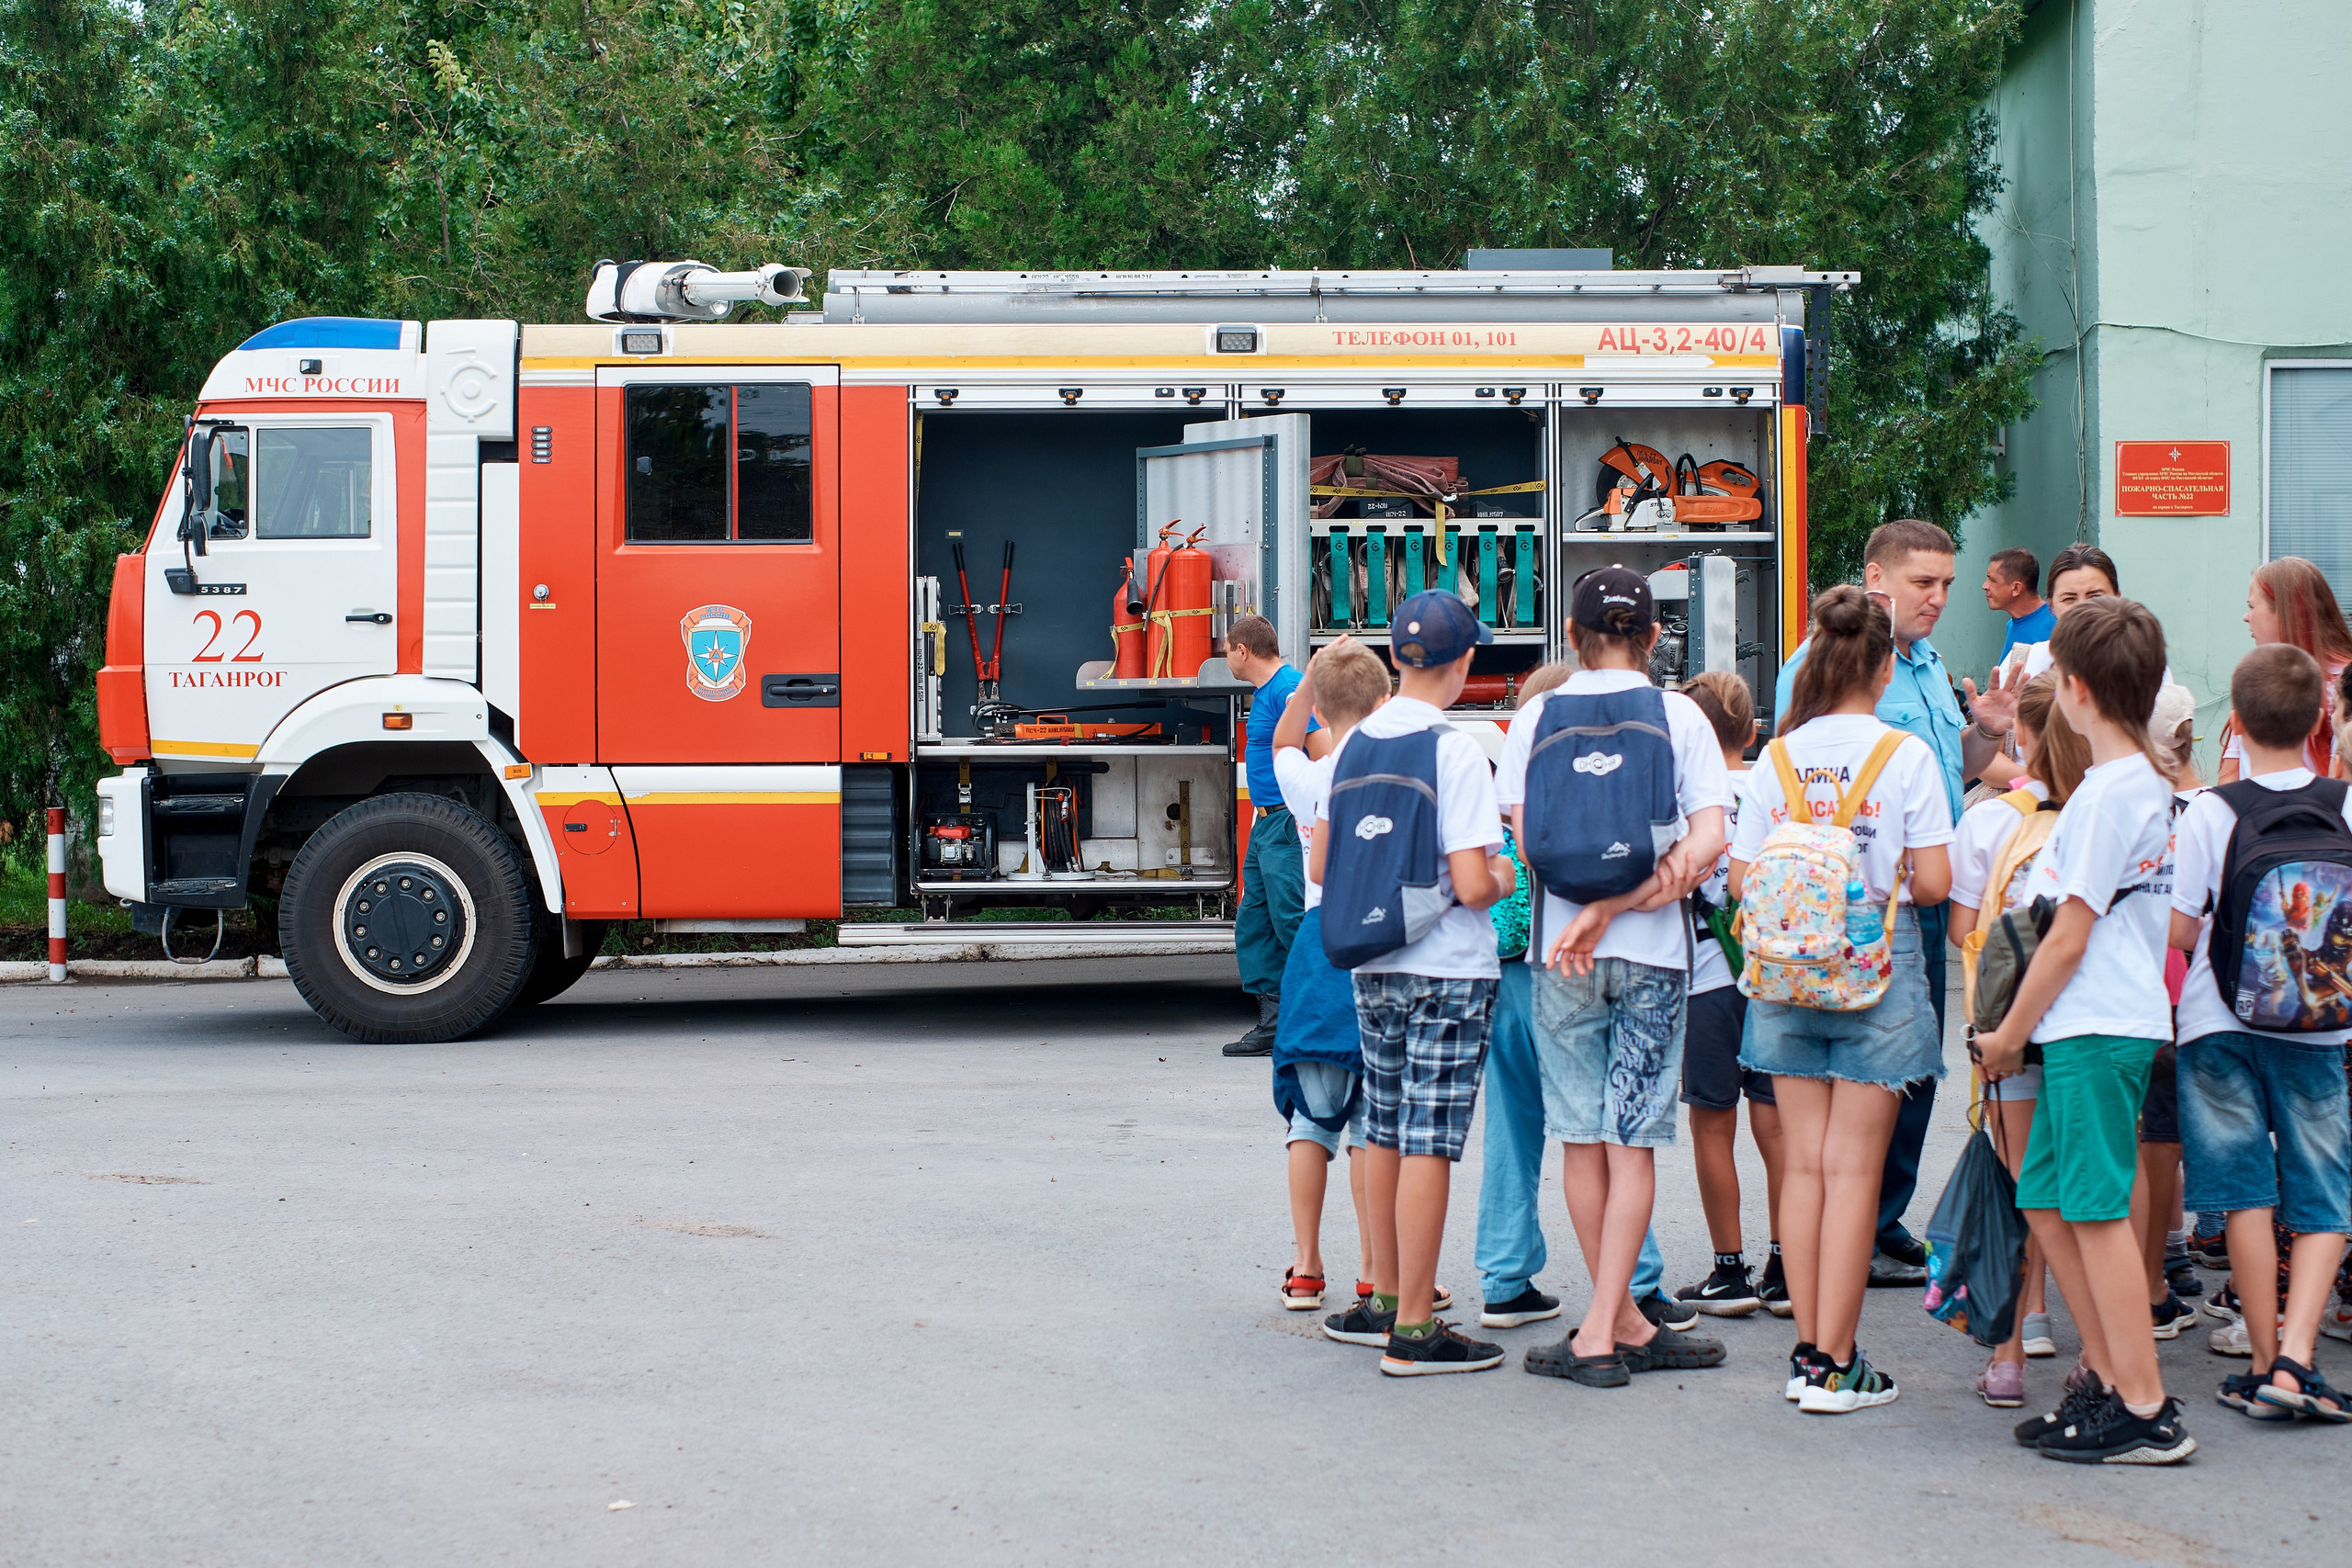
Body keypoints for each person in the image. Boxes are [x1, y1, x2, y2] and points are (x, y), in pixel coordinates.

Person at [1973, 595, 2197, 1463]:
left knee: (2096, 1210)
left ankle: (2143, 1404)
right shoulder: (2142, 782)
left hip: (2094, 1024)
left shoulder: (2109, 793)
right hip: (2099, 1023)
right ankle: (2106, 1378)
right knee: (2046, 1194)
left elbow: (2069, 933)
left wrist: (2006, 1033)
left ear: (2072, 690)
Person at [1500, 566, 1730, 1387]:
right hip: (1659, 957)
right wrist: (1631, 899)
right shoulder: (1682, 717)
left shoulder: (1535, 718)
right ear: (1656, 637)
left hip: (1563, 954)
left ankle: (1601, 1324)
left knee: (1582, 1138)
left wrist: (1590, 910)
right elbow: (1705, 845)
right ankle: (1617, 1318)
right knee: (1635, 1138)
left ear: (1571, 634)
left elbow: (1529, 844)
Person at [1734, 585, 1954, 1415]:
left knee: (1805, 1160)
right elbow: (1932, 881)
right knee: (1857, 1169)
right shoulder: (1904, 756)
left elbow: (1744, 880)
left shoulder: (1779, 756)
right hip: (1877, 969)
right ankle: (1837, 1360)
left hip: (1787, 968)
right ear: (1886, 664)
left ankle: (1804, 1355)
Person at [1775, 520, 2002, 1287]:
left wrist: (1983, 734)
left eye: (1946, 582)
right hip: (1856, 901)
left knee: (1913, 1070)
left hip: (1926, 891)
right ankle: (1852, 1228)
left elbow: (1950, 770)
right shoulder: (1825, 664)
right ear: (1878, 579)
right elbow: (1798, 776)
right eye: (1922, 583)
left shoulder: (1932, 666)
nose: (1939, 597)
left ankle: (1880, 1216)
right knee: (1861, 1073)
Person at [1310, 591, 1517, 1374]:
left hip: (1372, 964)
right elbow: (1469, 882)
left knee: (1386, 1130)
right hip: (1446, 970)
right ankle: (1418, 1328)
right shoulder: (1455, 747)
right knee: (1431, 1140)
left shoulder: (1354, 742)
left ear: (1399, 656)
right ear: (1464, 663)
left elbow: (1325, 866)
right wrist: (1502, 870)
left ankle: (1387, 1297)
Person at [2169, 644, 2352, 1423]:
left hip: (2218, 1021)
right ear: (2318, 718)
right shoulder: (2345, 803)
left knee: (2242, 1190)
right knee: (2322, 1193)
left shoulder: (2212, 807)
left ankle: (2257, 1348)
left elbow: (2181, 929)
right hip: (2320, 1025)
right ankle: (2297, 1359)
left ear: (2236, 721)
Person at [1947, 672, 2088, 1404]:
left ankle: (2014, 1341)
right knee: (2090, 1189)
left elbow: (1962, 928)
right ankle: (2100, 1349)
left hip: (2007, 1025)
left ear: (2022, 737)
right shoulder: (2102, 813)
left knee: (2018, 1182)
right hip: (2090, 1022)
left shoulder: (1990, 821)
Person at [1268, 637, 1392, 1313]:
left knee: (1312, 1120)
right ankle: (1377, 1270)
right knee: (1373, 1126)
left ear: (1323, 703)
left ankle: (1307, 1266)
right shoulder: (1389, 776)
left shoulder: (1309, 780)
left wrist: (1306, 683)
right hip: (1377, 944)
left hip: (1318, 950)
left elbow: (1284, 742)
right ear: (1382, 704)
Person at [1673, 671, 1791, 1318]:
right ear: (1750, 732)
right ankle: (1787, 1264)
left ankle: (1729, 1270)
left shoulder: (1692, 800)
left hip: (1707, 979)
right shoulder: (1773, 788)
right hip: (1774, 978)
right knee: (1776, 1123)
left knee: (1711, 1122)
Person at [1225, 615, 1321, 1057]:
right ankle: (1273, 1023)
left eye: (1228, 650)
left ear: (1243, 651)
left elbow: (1322, 752)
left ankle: (1325, 1014)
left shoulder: (1289, 688)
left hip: (1285, 821)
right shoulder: (1269, 692)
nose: (1226, 657)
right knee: (1256, 920)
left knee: (1289, 918)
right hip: (1265, 822)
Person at [2217, 557, 2352, 783]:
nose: (2246, 617)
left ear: (2287, 613)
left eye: (2251, 606)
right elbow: (2229, 780)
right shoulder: (2258, 678)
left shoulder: (2344, 685)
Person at [1985, 547, 2055, 660]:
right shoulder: (2011, 625)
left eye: (1992, 580)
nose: (1985, 586)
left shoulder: (2057, 625)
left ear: (2016, 588)